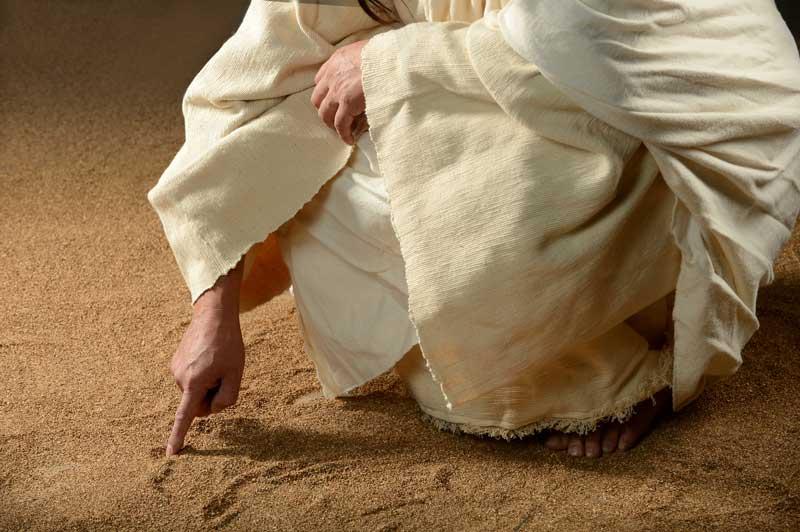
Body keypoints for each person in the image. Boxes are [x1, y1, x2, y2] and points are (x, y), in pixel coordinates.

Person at [150, 0, 800, 458]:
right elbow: (248, 85)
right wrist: (215, 312)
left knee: (496, 227)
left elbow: (588, 42)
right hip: (484, 99)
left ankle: (635, 365)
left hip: (639, 124)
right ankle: (528, 359)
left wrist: (388, 59)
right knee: (331, 177)